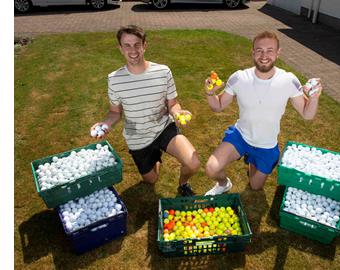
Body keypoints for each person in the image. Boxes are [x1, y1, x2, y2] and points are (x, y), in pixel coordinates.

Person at [203, 30, 322, 195]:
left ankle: (253, 160)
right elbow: (218, 107)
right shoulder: (239, 78)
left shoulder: (288, 80)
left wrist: (314, 98)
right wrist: (210, 93)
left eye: (270, 51)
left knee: (255, 186)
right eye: (259, 50)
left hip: (266, 144)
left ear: (278, 53)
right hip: (241, 136)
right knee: (211, 168)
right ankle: (224, 184)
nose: (264, 55)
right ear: (253, 52)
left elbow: (307, 114)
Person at [91, 25, 200, 196]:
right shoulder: (114, 79)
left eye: (137, 44)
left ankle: (183, 184)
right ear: (120, 48)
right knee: (151, 180)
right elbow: (115, 113)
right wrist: (104, 124)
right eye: (127, 45)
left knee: (193, 163)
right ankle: (154, 157)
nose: (132, 50)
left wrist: (178, 113)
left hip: (163, 128)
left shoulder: (163, 72)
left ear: (144, 45)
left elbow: (172, 104)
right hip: (137, 137)